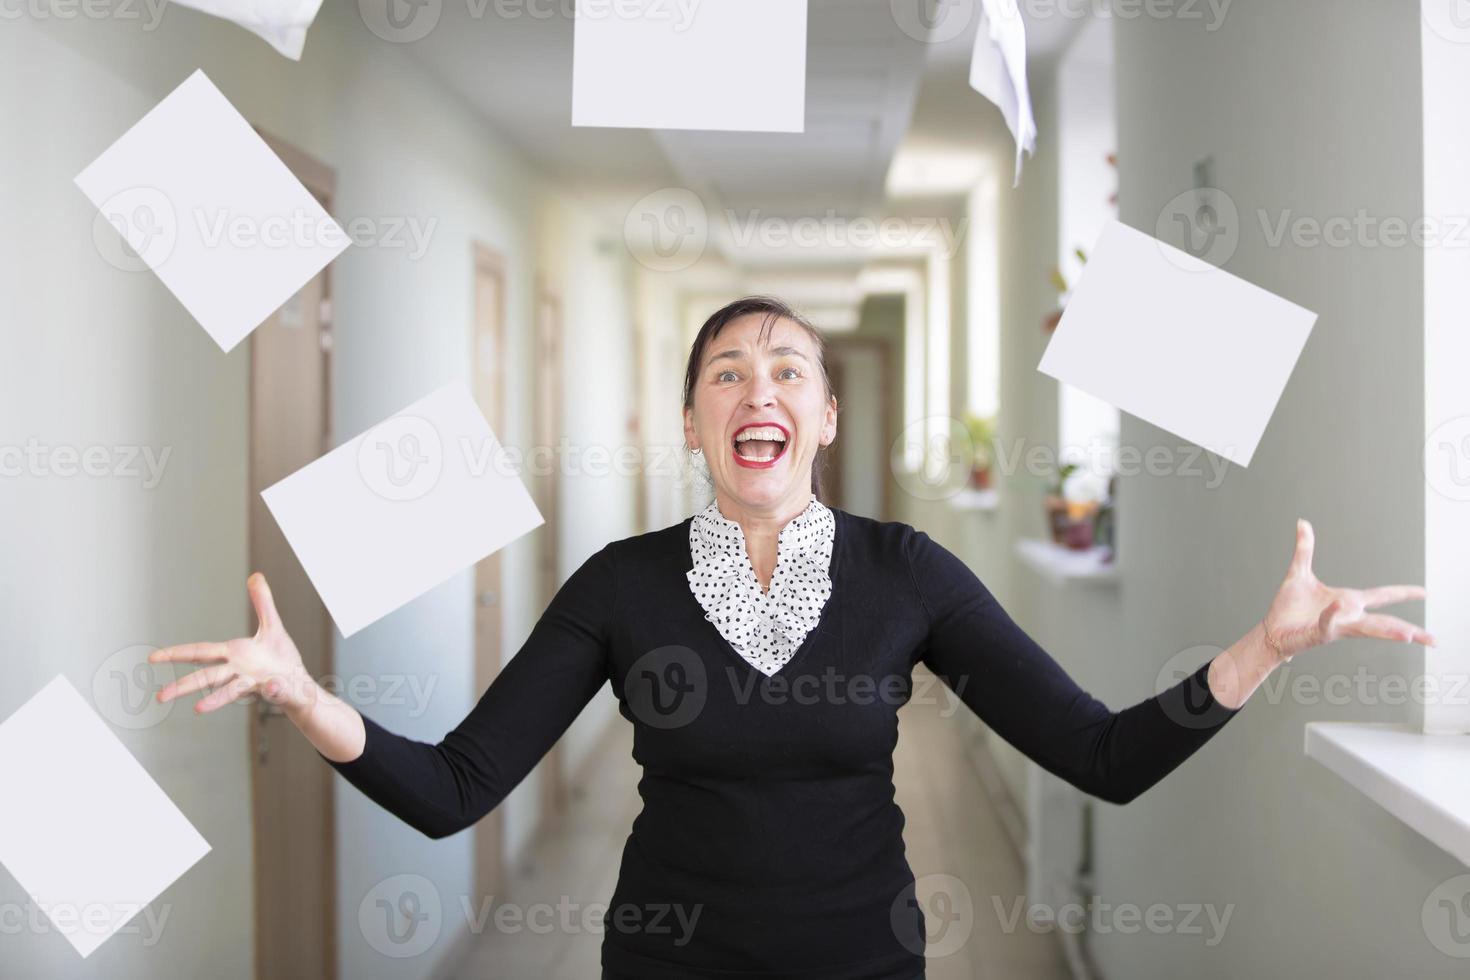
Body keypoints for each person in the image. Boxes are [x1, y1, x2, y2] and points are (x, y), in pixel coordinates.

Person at [151, 296, 1432, 979]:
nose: (755, 388)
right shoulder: (620, 584)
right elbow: (453, 788)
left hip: (864, 961)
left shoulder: (907, 572)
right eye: (724, 372)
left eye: (785, 372)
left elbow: (1101, 752)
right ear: (693, 425)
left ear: (821, 418)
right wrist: (307, 695)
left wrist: (1262, 647)